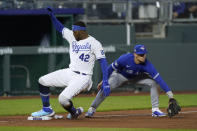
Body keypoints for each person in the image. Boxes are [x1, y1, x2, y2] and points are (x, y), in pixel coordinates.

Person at [31, 7, 110, 120]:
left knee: (62, 99)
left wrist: (106, 80)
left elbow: (103, 61)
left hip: (84, 77)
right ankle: (47, 110)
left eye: (75, 31)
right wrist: (52, 17)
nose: (72, 33)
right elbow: (60, 28)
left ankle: (74, 112)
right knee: (42, 81)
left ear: (81, 31)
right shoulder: (73, 36)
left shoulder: (94, 43)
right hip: (70, 72)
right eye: (72, 31)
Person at [85, 44, 175, 117]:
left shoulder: (147, 65)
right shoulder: (125, 58)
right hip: (120, 76)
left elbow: (159, 79)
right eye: (140, 54)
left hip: (136, 78)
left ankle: (155, 110)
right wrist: (104, 80)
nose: (143, 56)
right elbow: (110, 68)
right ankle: (92, 109)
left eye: (144, 54)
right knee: (105, 87)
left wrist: (170, 96)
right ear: (135, 54)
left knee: (153, 83)